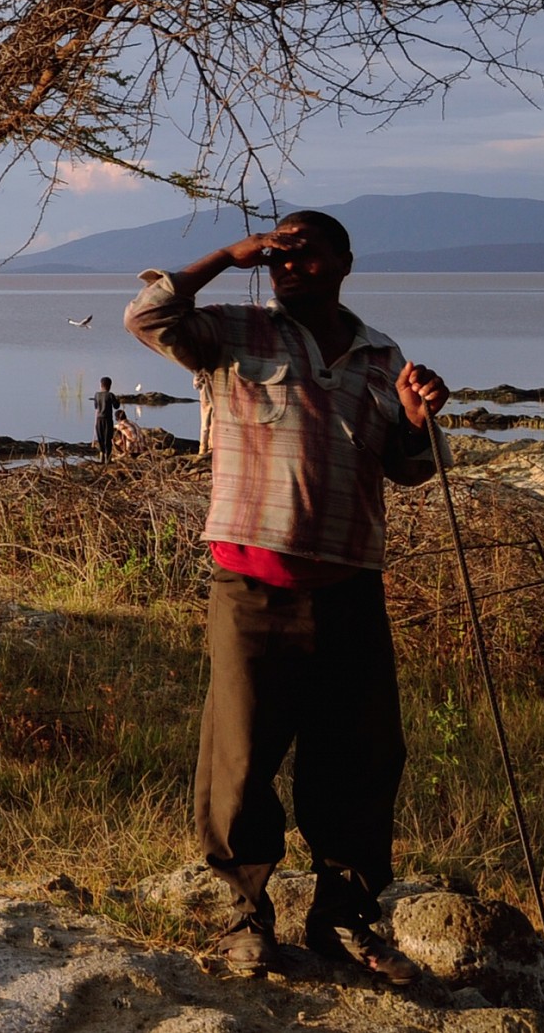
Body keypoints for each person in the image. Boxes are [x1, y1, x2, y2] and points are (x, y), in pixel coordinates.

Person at [124, 210, 448, 981]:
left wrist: (415, 420)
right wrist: (227, 256)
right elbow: (148, 314)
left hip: (349, 586)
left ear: (344, 262)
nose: (286, 261)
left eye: (304, 251)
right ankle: (244, 917)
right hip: (252, 585)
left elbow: (412, 468)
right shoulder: (234, 332)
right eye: (277, 251)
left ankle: (344, 921)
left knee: (362, 759)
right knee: (240, 760)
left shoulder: (382, 356)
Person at [92, 376, 124, 462]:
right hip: (107, 420)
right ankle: (108, 459)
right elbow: (116, 406)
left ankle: (101, 458)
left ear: (101, 385)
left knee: (100, 438)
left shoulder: (97, 395)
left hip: (99, 420)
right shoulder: (110, 395)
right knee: (108, 438)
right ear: (109, 386)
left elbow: (96, 406)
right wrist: (118, 400)